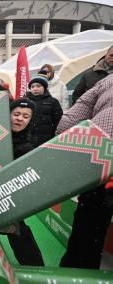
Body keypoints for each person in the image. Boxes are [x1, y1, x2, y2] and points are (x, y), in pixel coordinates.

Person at [57, 74, 113, 269]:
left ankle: (77, 271)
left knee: (87, 233)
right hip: (101, 170)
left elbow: (68, 123)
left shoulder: (106, 81)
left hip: (100, 165)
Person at [7, 98, 45, 266]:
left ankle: (35, 267)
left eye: (25, 116)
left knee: (16, 229)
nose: (20, 119)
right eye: (16, 114)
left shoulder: (27, 147)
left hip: (8, 197)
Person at [24, 70, 63, 147]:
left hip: (47, 139)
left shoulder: (53, 102)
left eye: (38, 86)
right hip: (28, 139)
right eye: (32, 86)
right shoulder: (26, 101)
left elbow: (58, 120)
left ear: (44, 87)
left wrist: (55, 136)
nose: (35, 89)